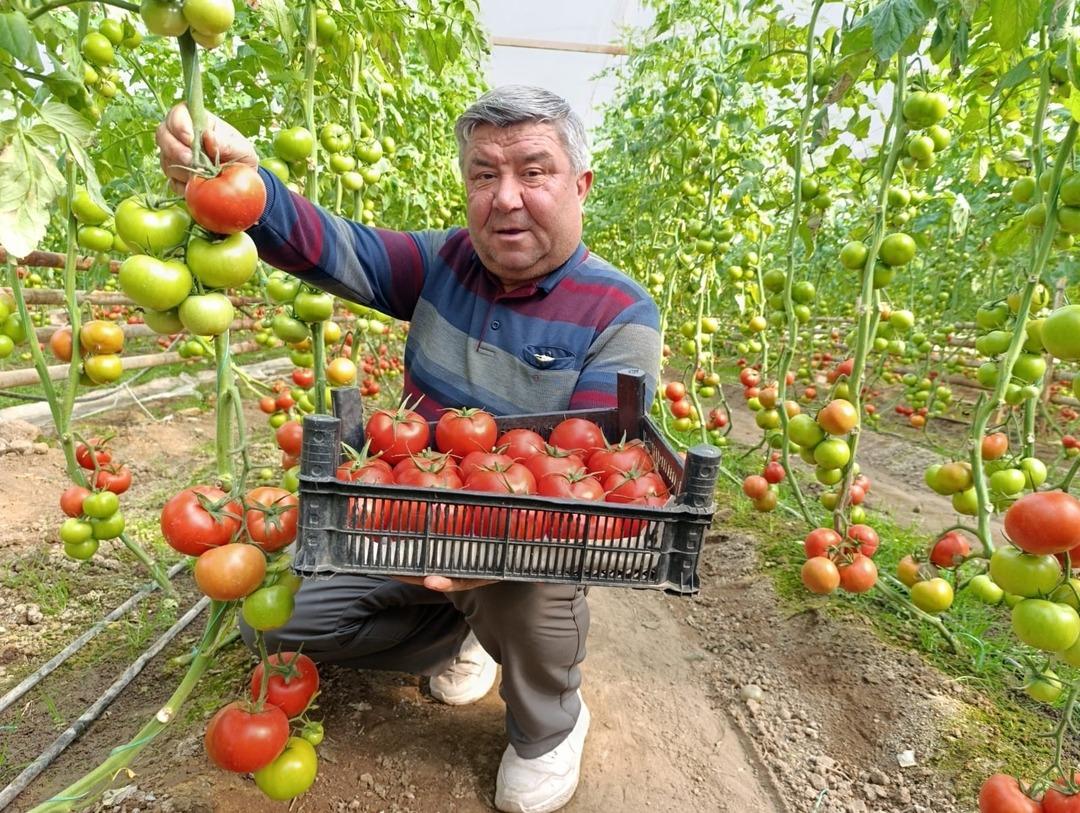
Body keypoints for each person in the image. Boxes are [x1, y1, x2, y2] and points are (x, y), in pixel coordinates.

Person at [156, 85, 661, 813]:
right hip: (405, 513)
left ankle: (547, 724)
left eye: (534, 171)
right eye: (484, 175)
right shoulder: (443, 264)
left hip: (525, 539)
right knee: (279, 622)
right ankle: (455, 635)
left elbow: (584, 479)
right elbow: (338, 247)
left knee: (531, 590)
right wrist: (247, 185)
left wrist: (484, 563)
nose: (506, 197)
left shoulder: (621, 311)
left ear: (580, 184)